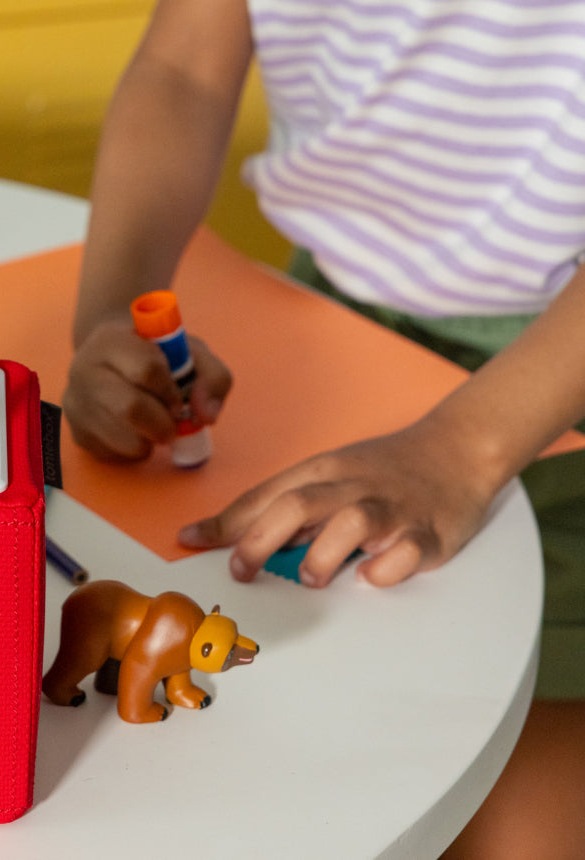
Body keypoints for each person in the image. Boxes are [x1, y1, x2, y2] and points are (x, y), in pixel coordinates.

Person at [62, 2, 585, 856]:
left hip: (559, 367)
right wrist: (111, 313)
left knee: (508, 824)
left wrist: (463, 449)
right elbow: (183, 68)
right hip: (332, 315)